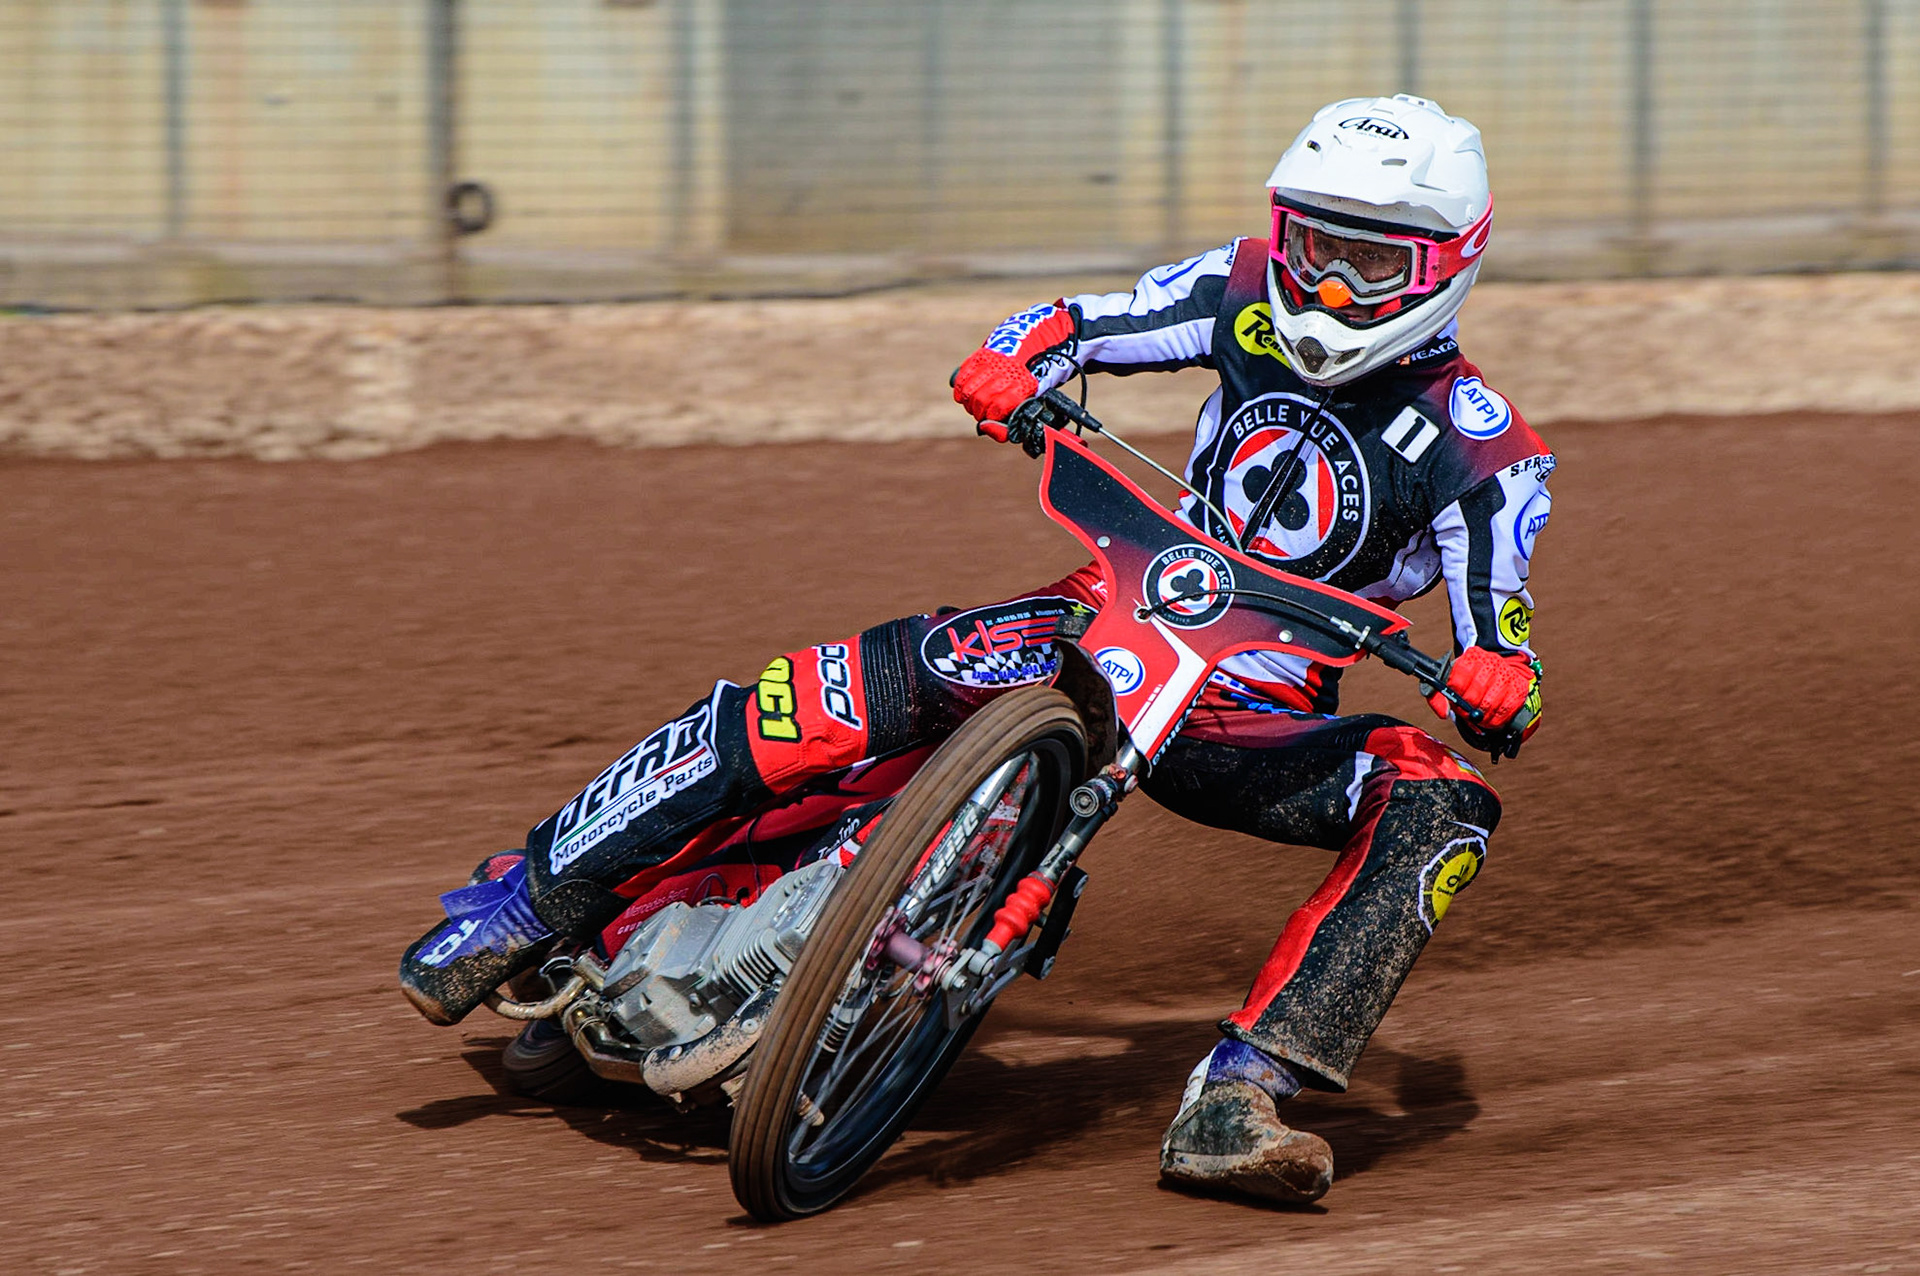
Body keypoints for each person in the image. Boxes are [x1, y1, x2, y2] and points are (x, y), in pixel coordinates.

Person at [399, 93, 1552, 1207]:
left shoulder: (1488, 455)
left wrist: (1500, 683)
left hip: (1253, 719)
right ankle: (529, 901)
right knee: (846, 689)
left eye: (1372, 264)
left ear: (1449, 265)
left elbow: (1506, 648)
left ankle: (1239, 1096)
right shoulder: (1242, 290)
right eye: (1314, 247)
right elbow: (1076, 321)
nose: (1331, 285)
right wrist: (1015, 361)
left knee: (1443, 806)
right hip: (1101, 623)